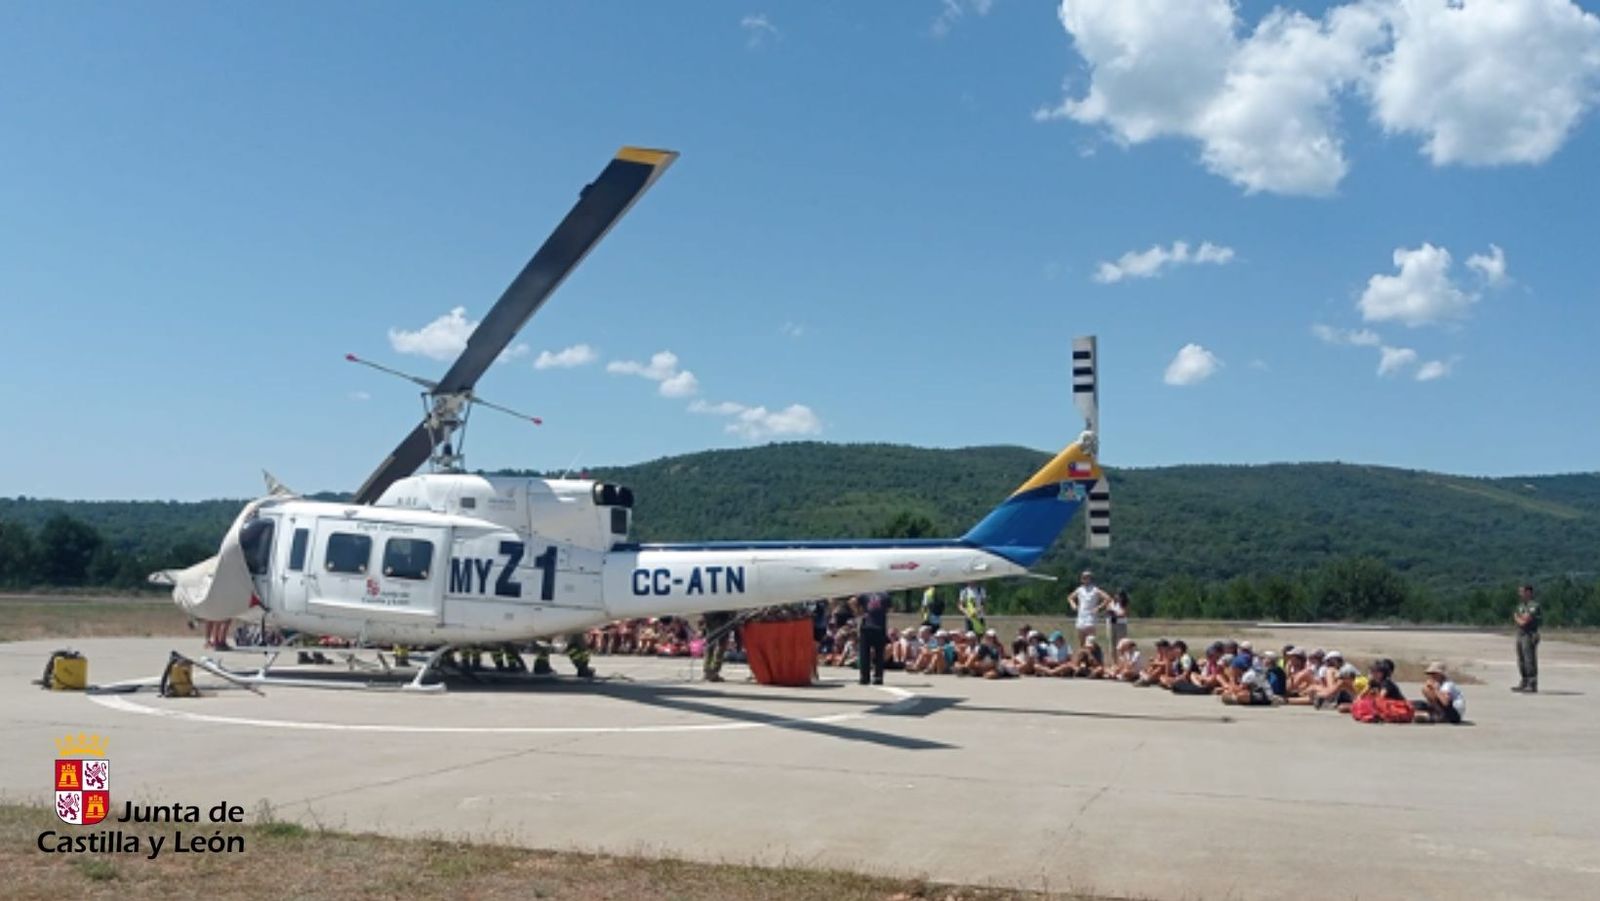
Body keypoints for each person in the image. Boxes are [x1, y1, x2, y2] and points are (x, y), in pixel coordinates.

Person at [1069, 570, 1111, 648]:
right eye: (1084, 578)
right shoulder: (1079, 589)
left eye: (1087, 578)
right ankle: (1083, 657)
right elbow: (1070, 597)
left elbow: (1107, 598)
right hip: (1081, 616)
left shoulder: (1095, 590)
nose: (1085, 579)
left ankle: (1092, 657)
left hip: (1091, 616)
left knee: (1090, 640)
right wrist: (1073, 605)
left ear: (1090, 579)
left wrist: (1098, 607)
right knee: (1081, 640)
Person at [1513, 584, 1542, 693]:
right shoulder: (1521, 606)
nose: (1520, 594)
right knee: (1521, 659)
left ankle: (1532, 683)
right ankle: (1524, 681)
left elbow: (1526, 619)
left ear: (1528, 592)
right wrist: (1519, 619)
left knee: (1529, 659)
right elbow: (1516, 616)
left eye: (1522, 591)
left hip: (1529, 634)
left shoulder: (1534, 605)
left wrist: (1520, 619)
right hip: (1520, 633)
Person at [856, 593, 889, 685]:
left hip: (867, 626)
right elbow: (889, 609)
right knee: (879, 653)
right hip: (879, 626)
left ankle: (864, 677)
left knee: (864, 653)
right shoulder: (885, 595)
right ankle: (878, 677)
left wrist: (859, 613)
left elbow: (853, 601)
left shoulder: (865, 593)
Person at [701, 610, 735, 682]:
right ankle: (714, 671)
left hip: (710, 617)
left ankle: (707, 670)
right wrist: (732, 617)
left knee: (710, 645)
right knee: (720, 645)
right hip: (722, 618)